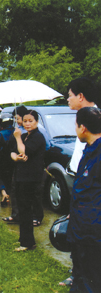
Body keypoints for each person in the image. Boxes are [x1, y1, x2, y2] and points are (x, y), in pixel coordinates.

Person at [60, 77, 99, 287]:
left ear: (80, 96)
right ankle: (77, 273)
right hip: (79, 181)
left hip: (91, 190)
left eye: (70, 95)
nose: (68, 100)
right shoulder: (82, 119)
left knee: (88, 240)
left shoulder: (94, 120)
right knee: (76, 230)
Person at [67, 107, 101, 292]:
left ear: (83, 128)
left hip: (93, 232)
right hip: (81, 228)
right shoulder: (88, 151)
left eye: (76, 125)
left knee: (92, 277)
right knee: (80, 274)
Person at [11, 110, 46, 251]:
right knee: (21, 208)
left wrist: (18, 138)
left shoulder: (38, 137)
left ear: (36, 122)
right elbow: (14, 152)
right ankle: (23, 239)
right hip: (21, 176)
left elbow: (24, 151)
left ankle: (27, 242)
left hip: (31, 178)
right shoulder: (25, 135)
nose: (27, 124)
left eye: (30, 121)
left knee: (26, 209)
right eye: (25, 121)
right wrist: (16, 157)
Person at [0, 113, 15, 207]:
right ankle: (9, 196)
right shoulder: (16, 132)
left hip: (2, 161)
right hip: (13, 161)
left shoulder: (1, 134)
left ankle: (3, 192)